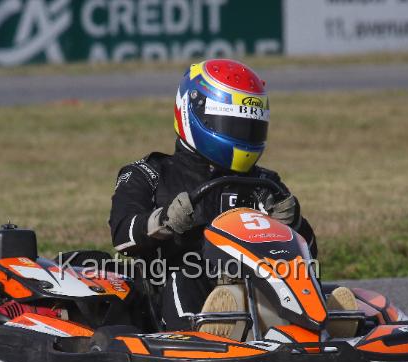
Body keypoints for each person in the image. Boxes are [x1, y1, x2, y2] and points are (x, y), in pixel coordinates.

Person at [108, 59, 322, 331]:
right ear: (195, 113)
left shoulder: (266, 184)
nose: (243, 136)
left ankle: (327, 323)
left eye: (249, 128)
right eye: (233, 126)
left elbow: (307, 258)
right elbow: (121, 234)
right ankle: (205, 335)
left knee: (299, 281)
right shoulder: (149, 174)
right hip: (171, 291)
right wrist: (163, 221)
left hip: (255, 286)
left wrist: (295, 226)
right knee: (185, 277)